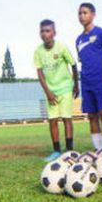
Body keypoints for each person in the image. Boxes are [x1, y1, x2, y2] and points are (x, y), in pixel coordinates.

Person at [34, 19, 79, 161]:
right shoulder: (38, 51)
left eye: (47, 31)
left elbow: (73, 65)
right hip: (51, 91)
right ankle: (56, 151)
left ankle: (69, 150)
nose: (45, 34)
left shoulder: (62, 47)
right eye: (42, 31)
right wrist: (48, 92)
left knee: (67, 118)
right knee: (52, 120)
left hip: (65, 88)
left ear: (54, 33)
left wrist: (76, 85)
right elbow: (40, 74)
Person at [76, 3, 102, 151]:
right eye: (80, 13)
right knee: (92, 116)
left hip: (101, 81)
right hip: (86, 83)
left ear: (93, 15)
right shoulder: (78, 39)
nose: (82, 16)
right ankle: (99, 151)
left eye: (85, 13)